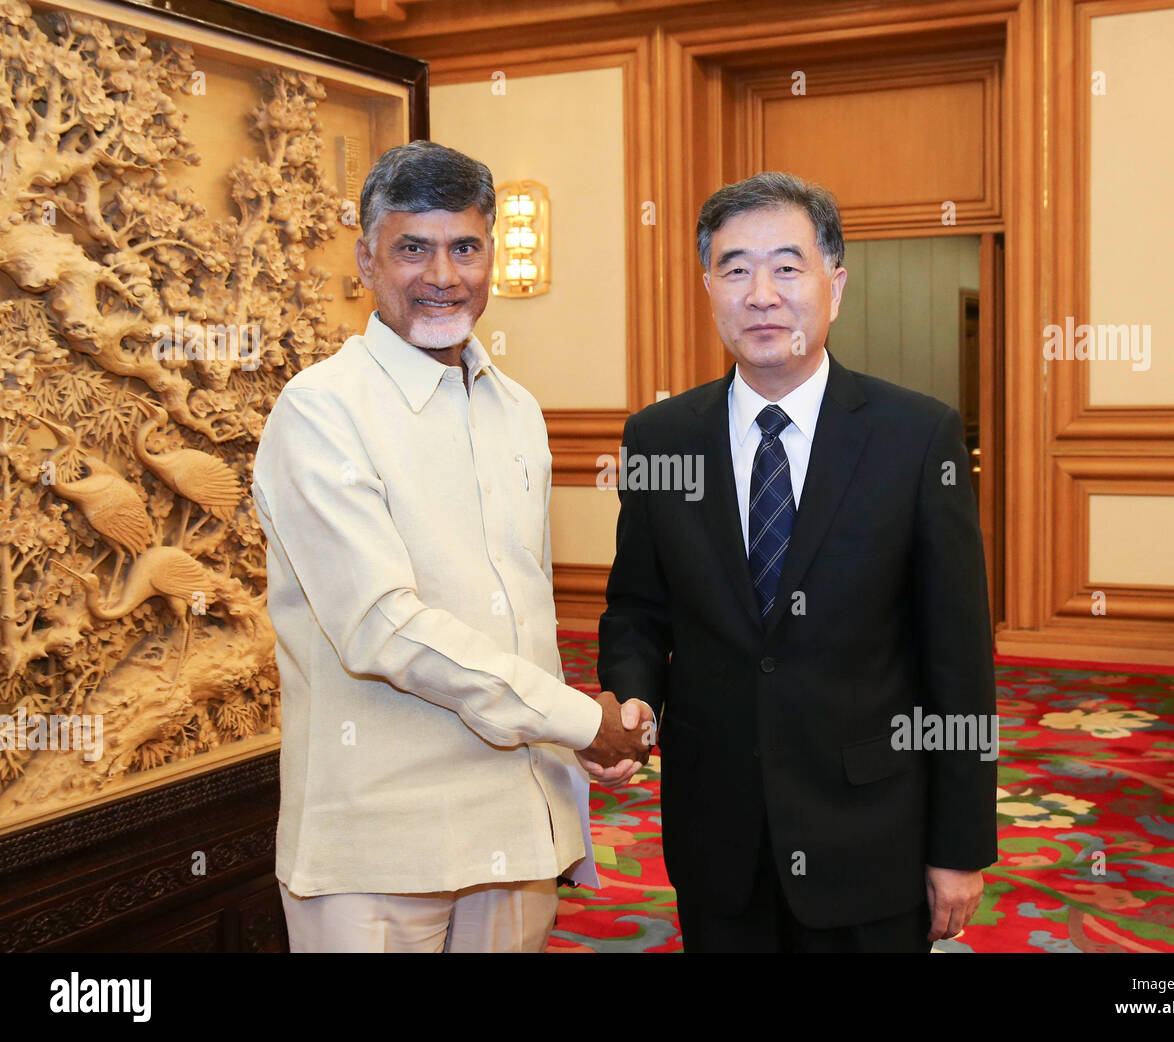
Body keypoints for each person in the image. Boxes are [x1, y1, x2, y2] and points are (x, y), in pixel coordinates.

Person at [252, 141, 649, 953]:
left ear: (491, 254)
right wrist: (579, 721)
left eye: (464, 246)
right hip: (381, 844)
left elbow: (520, 615)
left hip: (515, 824)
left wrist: (573, 740)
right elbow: (383, 628)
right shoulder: (320, 413)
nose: (443, 275)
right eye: (413, 248)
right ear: (367, 258)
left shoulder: (519, 410)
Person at [592, 171, 998, 952]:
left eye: (787, 266)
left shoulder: (915, 438)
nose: (762, 294)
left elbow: (958, 661)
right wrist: (635, 699)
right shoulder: (660, 438)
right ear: (709, 288)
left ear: (833, 285)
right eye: (736, 269)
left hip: (870, 833)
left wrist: (958, 845)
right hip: (717, 832)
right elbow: (637, 608)